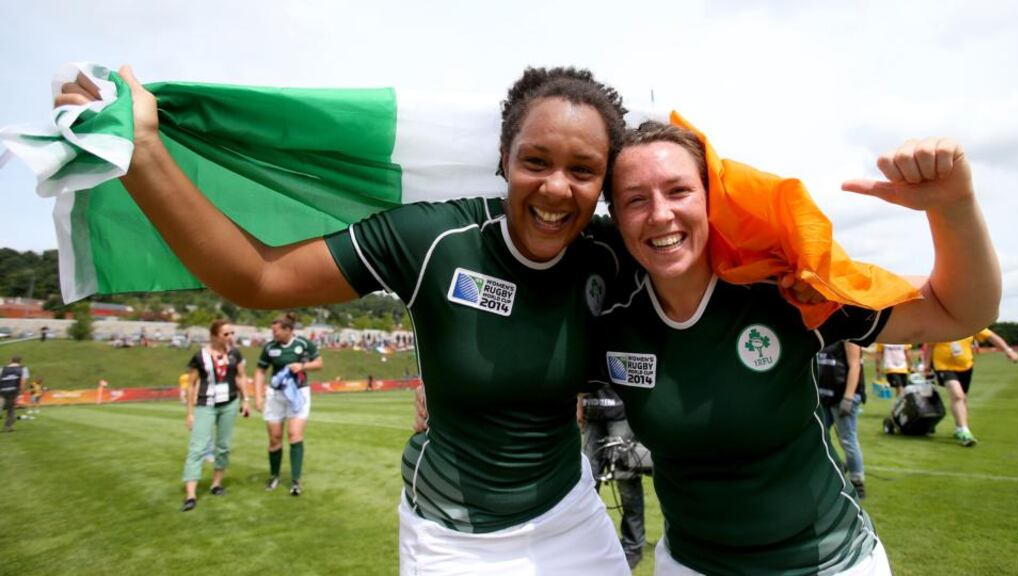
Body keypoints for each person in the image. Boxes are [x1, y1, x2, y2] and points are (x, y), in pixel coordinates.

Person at [57, 65, 633, 574]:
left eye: (583, 170)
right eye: (536, 161)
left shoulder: (610, 253)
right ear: (504, 160)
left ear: (604, 183)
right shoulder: (433, 240)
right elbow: (259, 278)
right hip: (455, 537)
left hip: (571, 514)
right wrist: (144, 150)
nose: (557, 187)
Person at [593, 121, 1000, 575]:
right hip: (690, 564)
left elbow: (958, 311)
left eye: (679, 191)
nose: (660, 214)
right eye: (636, 199)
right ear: (616, 217)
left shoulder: (787, 285)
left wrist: (954, 205)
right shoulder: (610, 312)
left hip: (829, 563)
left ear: (711, 198)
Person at [181, 319, 249, 511]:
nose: (230, 337)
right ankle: (191, 495)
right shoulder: (200, 356)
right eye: (225, 334)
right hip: (206, 404)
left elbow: (241, 376)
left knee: (223, 446)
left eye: (232, 333)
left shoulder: (235, 353)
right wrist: (190, 413)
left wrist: (245, 400)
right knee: (197, 448)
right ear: (214, 336)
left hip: (229, 403)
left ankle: (216, 484)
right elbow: (191, 384)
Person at [253, 313, 322, 497]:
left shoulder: (303, 344)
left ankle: (295, 481)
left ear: (288, 330)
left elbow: (319, 363)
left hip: (298, 394)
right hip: (276, 395)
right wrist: (258, 396)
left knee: (294, 435)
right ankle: (274, 476)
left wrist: (303, 366)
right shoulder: (269, 347)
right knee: (275, 438)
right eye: (272, 330)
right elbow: (260, 371)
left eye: (276, 331)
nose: (273, 334)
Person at [579, 384, 647, 568]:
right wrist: (580, 405)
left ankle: (633, 546)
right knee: (586, 481)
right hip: (592, 412)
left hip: (621, 413)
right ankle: (586, 541)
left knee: (626, 480)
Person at [924, 328, 1018, 447]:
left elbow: (991, 336)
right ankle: (964, 431)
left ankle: (959, 427)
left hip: (966, 367)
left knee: (963, 398)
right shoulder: (940, 327)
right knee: (957, 395)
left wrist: (1008, 350)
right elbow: (929, 347)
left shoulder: (971, 325)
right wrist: (926, 366)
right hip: (944, 367)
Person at [817, 341, 868, 499]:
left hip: (842, 397)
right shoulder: (825, 335)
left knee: (847, 439)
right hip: (826, 396)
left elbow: (855, 365)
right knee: (818, 437)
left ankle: (857, 481)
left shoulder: (848, 337)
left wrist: (848, 398)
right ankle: (828, 471)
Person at [0, 356, 28, 431]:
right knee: (11, 408)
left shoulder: (3, 369)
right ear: (20, 361)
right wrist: (21, 392)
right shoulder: (23, 369)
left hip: (2, 390)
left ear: (11, 361)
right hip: (13, 391)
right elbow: (23, 381)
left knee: (1, 405)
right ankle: (8, 427)